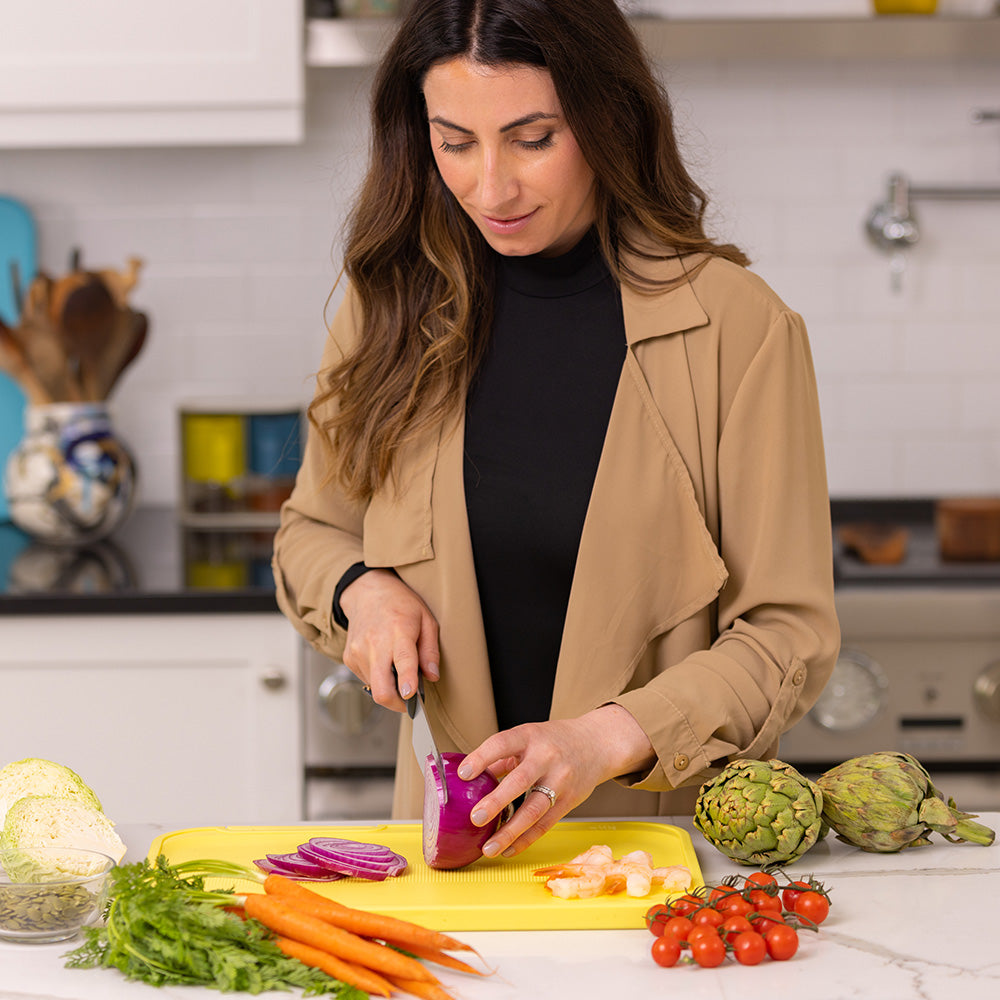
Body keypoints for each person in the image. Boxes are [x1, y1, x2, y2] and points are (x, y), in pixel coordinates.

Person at [272, 0, 840, 861]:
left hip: (656, 861)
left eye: (533, 139)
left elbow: (788, 632)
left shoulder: (737, 326)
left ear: (608, 117)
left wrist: (605, 737)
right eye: (454, 141)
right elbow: (311, 532)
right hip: (444, 866)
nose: (490, 187)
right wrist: (361, 587)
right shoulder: (388, 304)